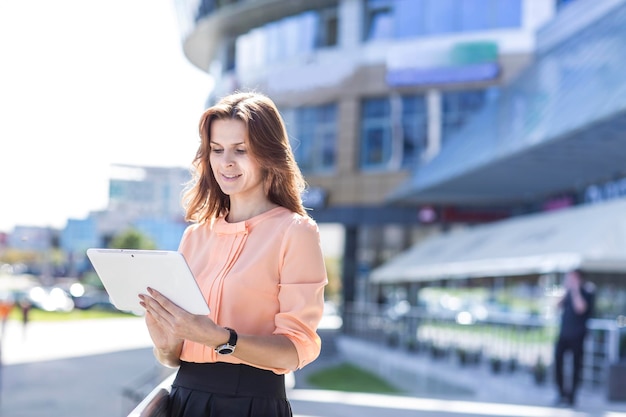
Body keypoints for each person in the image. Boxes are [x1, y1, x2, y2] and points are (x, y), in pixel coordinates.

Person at [138, 91, 328, 417]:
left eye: (240, 150)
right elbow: (174, 357)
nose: (226, 162)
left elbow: (295, 350)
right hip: (185, 400)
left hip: (251, 405)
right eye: (217, 150)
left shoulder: (296, 232)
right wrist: (166, 342)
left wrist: (219, 338)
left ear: (268, 154)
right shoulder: (195, 236)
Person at [553, 269, 595, 407]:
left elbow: (580, 308)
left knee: (576, 366)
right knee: (558, 362)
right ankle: (561, 394)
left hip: (578, 335)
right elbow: (557, 306)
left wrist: (576, 290)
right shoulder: (567, 293)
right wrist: (566, 290)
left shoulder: (587, 292)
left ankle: (572, 397)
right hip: (564, 334)